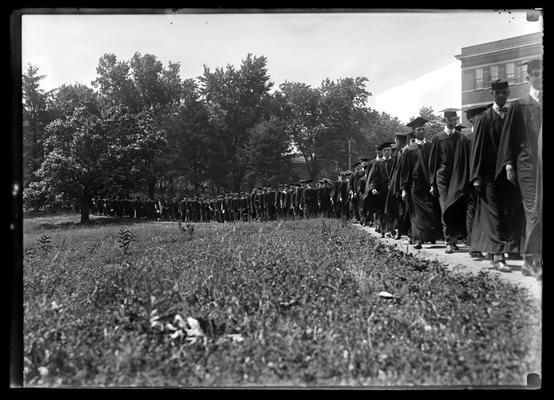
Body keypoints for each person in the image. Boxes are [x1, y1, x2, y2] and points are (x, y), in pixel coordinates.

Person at [469, 80, 525, 272]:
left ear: (509, 93)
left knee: (506, 212)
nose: (501, 96)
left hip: (508, 174)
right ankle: (499, 256)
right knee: (493, 214)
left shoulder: (512, 116)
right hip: (488, 175)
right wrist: (476, 176)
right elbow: (477, 149)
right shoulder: (484, 118)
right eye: (497, 93)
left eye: (504, 93)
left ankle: (499, 250)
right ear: (491, 94)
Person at [496, 58, 543, 279]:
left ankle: (531, 261)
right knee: (533, 211)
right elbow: (508, 138)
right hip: (527, 167)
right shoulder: (520, 105)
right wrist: (508, 165)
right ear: (528, 78)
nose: (539, 76)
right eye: (535, 73)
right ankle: (532, 260)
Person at [400, 117, 443, 249]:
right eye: (419, 129)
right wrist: (403, 188)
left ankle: (430, 237)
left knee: (430, 211)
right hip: (415, 185)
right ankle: (417, 239)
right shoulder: (409, 150)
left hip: (430, 184)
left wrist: (434, 183)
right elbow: (405, 170)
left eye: (423, 129)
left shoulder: (431, 146)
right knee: (417, 213)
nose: (421, 131)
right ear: (414, 131)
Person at [428, 108, 466, 253]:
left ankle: (455, 238)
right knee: (446, 208)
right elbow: (433, 162)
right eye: (450, 120)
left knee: (456, 207)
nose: (453, 123)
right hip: (442, 177)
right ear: (444, 121)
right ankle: (448, 240)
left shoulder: (460, 136)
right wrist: (432, 183)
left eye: (455, 120)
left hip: (457, 177)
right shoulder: (438, 138)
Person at [366, 142, 395, 237]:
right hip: (381, 191)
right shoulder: (377, 164)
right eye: (385, 150)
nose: (387, 152)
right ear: (382, 152)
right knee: (381, 210)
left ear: (391, 151)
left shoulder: (395, 162)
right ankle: (384, 230)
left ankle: (391, 229)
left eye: (389, 150)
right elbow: (373, 178)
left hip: (392, 190)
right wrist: (373, 188)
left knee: (391, 210)